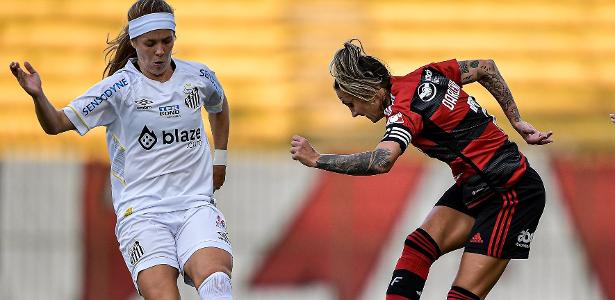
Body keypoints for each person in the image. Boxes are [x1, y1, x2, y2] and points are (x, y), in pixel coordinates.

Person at [290, 39, 553, 300]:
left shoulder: (404, 111)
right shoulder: (427, 74)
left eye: (350, 104)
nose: (353, 114)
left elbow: (381, 161)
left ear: (368, 92)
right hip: (478, 184)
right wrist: (516, 120)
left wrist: (317, 160)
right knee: (418, 247)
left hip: (511, 191)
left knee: (460, 297)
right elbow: (486, 68)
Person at [9, 0, 233, 299]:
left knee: (217, 281)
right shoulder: (117, 89)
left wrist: (220, 159)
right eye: (150, 43)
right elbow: (57, 123)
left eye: (167, 41)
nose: (160, 51)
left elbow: (219, 106)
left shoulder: (199, 76)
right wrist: (38, 96)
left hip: (195, 204)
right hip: (142, 213)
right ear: (134, 42)